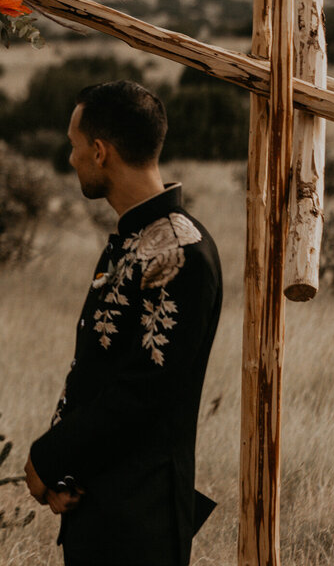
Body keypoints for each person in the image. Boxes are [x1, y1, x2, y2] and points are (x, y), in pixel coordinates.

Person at [25, 81, 222, 566]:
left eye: (74, 147)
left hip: (142, 518)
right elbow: (93, 371)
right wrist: (64, 474)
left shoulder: (181, 251)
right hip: (96, 505)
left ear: (99, 151)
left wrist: (47, 457)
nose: (70, 159)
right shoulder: (130, 239)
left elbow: (145, 391)